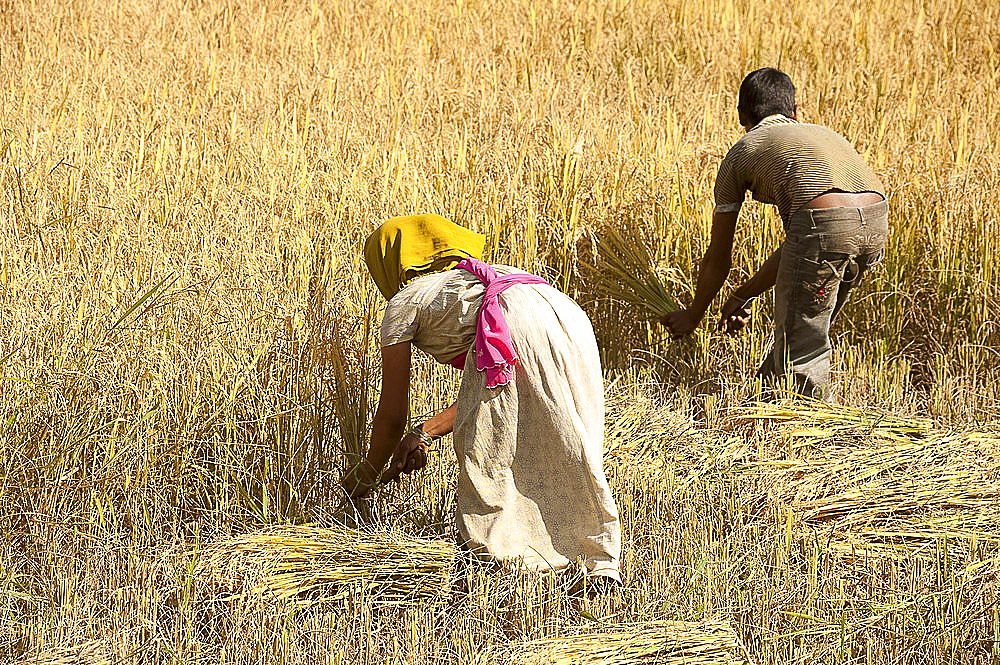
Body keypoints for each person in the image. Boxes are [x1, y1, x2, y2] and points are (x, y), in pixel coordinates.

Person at [344, 213, 622, 584]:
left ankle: (509, 568)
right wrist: (424, 433)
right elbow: (496, 384)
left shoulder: (405, 302)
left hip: (517, 320)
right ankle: (596, 564)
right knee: (573, 444)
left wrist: (364, 476)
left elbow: (393, 414)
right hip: (565, 313)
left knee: (490, 459)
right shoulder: (482, 277)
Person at [662, 67, 888, 399]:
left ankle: (807, 435)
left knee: (802, 344)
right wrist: (744, 294)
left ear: (741, 115)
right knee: (801, 330)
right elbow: (804, 244)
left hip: (824, 227)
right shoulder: (823, 134)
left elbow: (719, 257)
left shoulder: (741, 153)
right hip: (876, 220)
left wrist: (694, 314)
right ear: (796, 112)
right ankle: (765, 406)